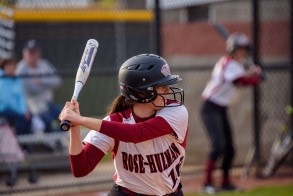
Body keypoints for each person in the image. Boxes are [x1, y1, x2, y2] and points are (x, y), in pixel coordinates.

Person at [59, 54, 188, 195]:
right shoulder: (114, 123)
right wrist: (74, 126)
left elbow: (136, 133)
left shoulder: (177, 112)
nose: (168, 91)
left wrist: (82, 120)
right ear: (143, 93)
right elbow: (80, 169)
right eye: (162, 87)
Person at [200, 32, 263, 194]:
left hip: (221, 108)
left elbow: (241, 77)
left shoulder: (236, 65)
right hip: (210, 107)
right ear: (234, 49)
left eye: (246, 49)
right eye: (242, 49)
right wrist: (256, 76)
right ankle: (207, 184)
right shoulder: (228, 63)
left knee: (230, 149)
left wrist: (253, 74)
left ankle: (226, 182)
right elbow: (240, 81)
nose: (245, 52)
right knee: (218, 146)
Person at [16, 39, 62, 133]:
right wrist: (44, 85)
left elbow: (57, 81)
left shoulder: (44, 64)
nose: (32, 55)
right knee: (47, 120)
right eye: (30, 52)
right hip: (31, 105)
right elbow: (31, 89)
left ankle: (56, 140)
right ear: (24, 54)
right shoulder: (21, 68)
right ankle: (48, 143)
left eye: (34, 52)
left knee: (65, 117)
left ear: (38, 53)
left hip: (47, 102)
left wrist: (41, 80)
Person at [0, 58, 32, 135]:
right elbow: (6, 100)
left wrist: (23, 111)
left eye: (12, 65)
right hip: (3, 109)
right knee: (20, 118)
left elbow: (21, 97)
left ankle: (25, 143)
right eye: (8, 65)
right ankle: (18, 143)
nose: (10, 68)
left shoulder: (16, 80)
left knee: (28, 117)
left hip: (16, 110)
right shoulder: (1, 78)